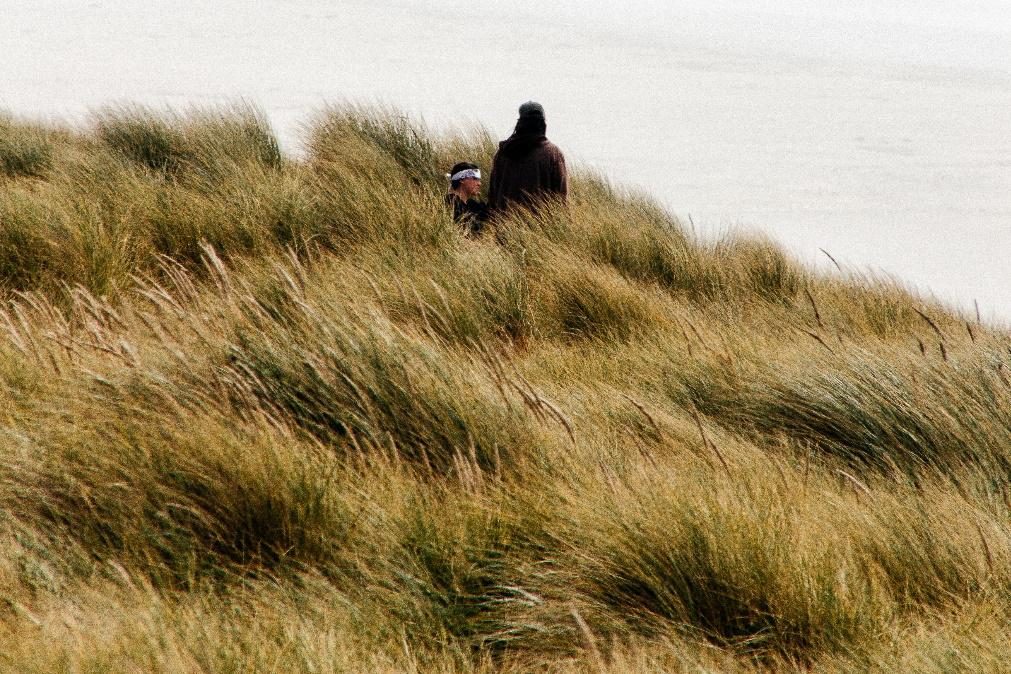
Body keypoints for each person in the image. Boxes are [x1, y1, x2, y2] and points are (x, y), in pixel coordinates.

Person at [487, 101, 568, 215]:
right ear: (542, 123)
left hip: (505, 224)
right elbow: (561, 196)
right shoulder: (553, 153)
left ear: (520, 122)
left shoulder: (503, 152)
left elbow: (493, 193)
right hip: (538, 228)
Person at [445, 161, 488, 236]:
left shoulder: (472, 204)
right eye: (475, 179)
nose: (479, 183)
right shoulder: (451, 203)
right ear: (461, 179)